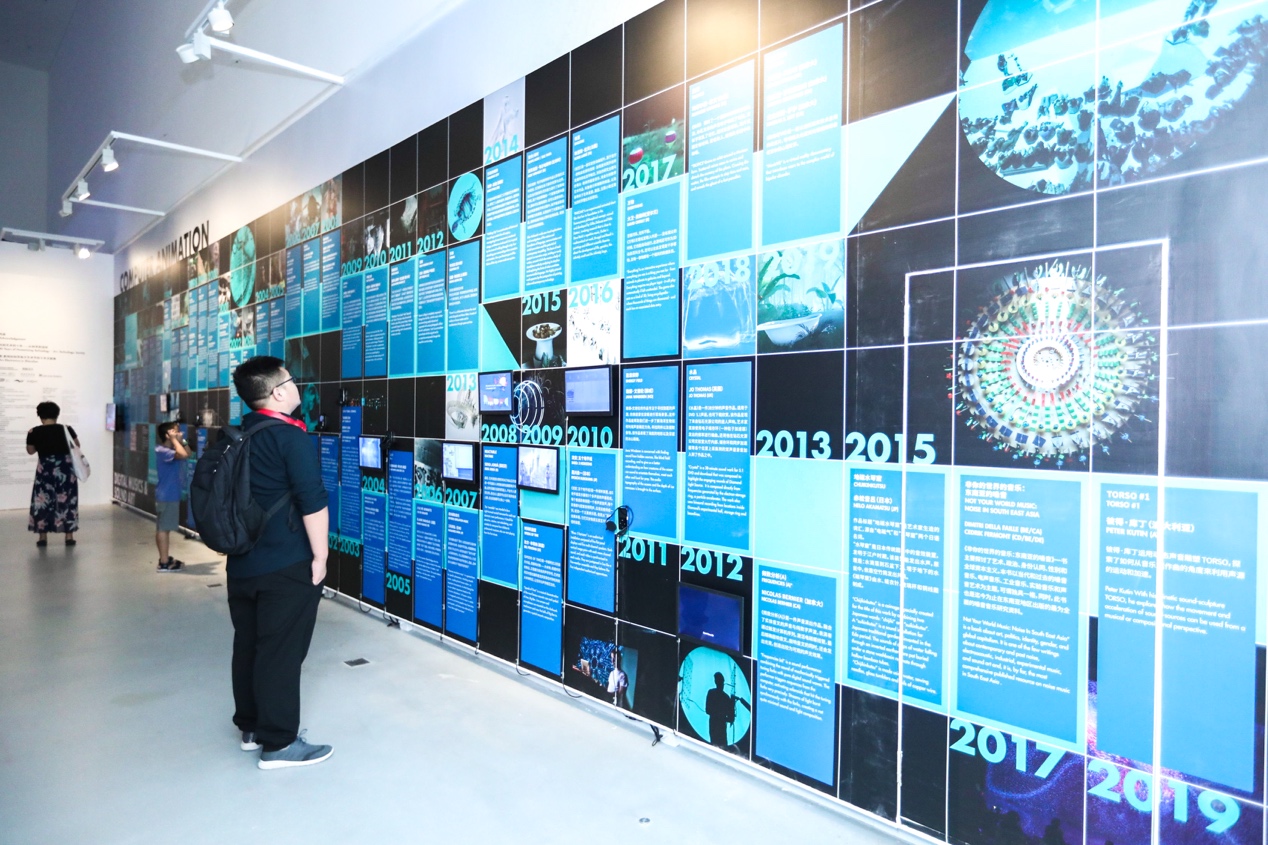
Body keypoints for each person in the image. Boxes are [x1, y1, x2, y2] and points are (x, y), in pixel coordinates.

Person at [226, 356, 333, 770]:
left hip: (242, 564)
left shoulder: (237, 435)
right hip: (286, 564)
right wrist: (321, 556)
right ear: (278, 392)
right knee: (281, 652)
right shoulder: (290, 438)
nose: (296, 385)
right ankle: (280, 743)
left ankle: (251, 728)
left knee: (248, 644)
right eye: (291, 380)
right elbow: (312, 500)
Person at [25, 401, 80, 547]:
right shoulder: (67, 429)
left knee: (42, 501)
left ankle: (42, 537)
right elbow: (76, 445)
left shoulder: (34, 432)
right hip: (65, 470)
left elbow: (30, 451)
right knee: (67, 500)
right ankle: (69, 536)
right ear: (57, 414)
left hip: (45, 470)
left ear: (41, 416)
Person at [154, 422, 190, 572]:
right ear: (167, 435)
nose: (179, 433)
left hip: (171, 494)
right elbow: (183, 454)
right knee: (164, 528)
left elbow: (188, 453)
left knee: (165, 527)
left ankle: (164, 558)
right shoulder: (162, 450)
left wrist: (181, 441)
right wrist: (175, 441)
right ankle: (164, 563)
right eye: (176, 431)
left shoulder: (171, 450)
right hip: (166, 495)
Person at [704, 671, 750, 748]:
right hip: (715, 727)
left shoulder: (724, 697)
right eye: (720, 681)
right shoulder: (716, 694)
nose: (721, 683)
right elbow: (708, 710)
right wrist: (723, 716)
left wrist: (731, 705)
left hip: (719, 728)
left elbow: (730, 718)